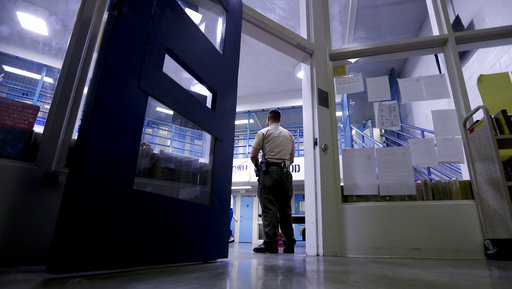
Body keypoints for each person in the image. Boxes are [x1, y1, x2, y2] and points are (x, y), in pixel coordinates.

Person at [251, 109, 296, 254]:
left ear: (268, 119)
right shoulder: (289, 135)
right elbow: (291, 159)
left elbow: (253, 155)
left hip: (269, 173)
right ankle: (289, 244)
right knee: (285, 209)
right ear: (280, 119)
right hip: (285, 174)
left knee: (269, 208)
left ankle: (270, 244)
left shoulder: (263, 132)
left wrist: (259, 167)